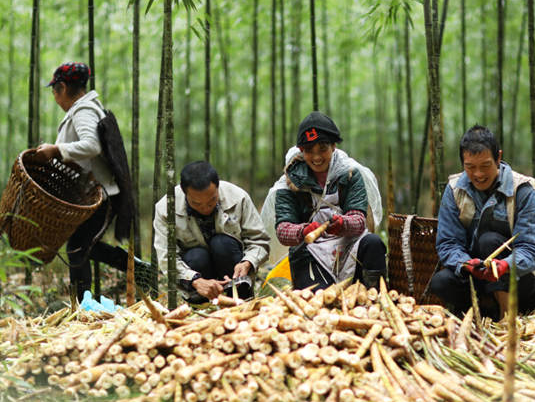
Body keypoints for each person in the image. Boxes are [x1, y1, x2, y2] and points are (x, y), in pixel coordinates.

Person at [34, 62, 153, 300]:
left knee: (77, 247)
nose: (55, 98)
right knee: (84, 245)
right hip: (88, 194)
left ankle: (85, 304)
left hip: (99, 195)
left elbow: (92, 145)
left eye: (54, 91)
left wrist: (57, 150)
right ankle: (138, 269)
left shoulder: (84, 111)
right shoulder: (83, 109)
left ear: (63, 87)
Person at [430, 125, 535, 320]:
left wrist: (505, 265)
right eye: (470, 167)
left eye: (485, 166)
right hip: (479, 278)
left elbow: (532, 249)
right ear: (462, 163)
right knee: (441, 282)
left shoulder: (522, 189)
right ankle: (484, 309)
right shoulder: (454, 189)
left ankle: (505, 316)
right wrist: (466, 264)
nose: (478, 174)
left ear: (498, 158)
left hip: (520, 281)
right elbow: (448, 243)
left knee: (488, 241)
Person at [270, 111, 387, 290]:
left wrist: (342, 224)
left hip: (349, 246)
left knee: (373, 243)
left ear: (334, 146)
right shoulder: (290, 181)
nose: (317, 157)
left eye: (323, 149)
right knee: (320, 299)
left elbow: (358, 219)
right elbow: (283, 229)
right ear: (301, 150)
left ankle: (375, 297)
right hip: (311, 252)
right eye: (309, 151)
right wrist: (303, 231)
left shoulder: (349, 173)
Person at [153, 161, 270, 304]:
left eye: (211, 200)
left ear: (218, 187)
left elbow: (259, 240)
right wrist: (195, 280)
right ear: (184, 193)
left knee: (222, 244)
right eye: (196, 203)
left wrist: (247, 263)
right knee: (197, 256)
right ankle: (200, 304)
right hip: (196, 272)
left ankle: (241, 299)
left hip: (233, 271)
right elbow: (167, 257)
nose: (205, 208)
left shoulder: (238, 197)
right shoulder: (165, 209)